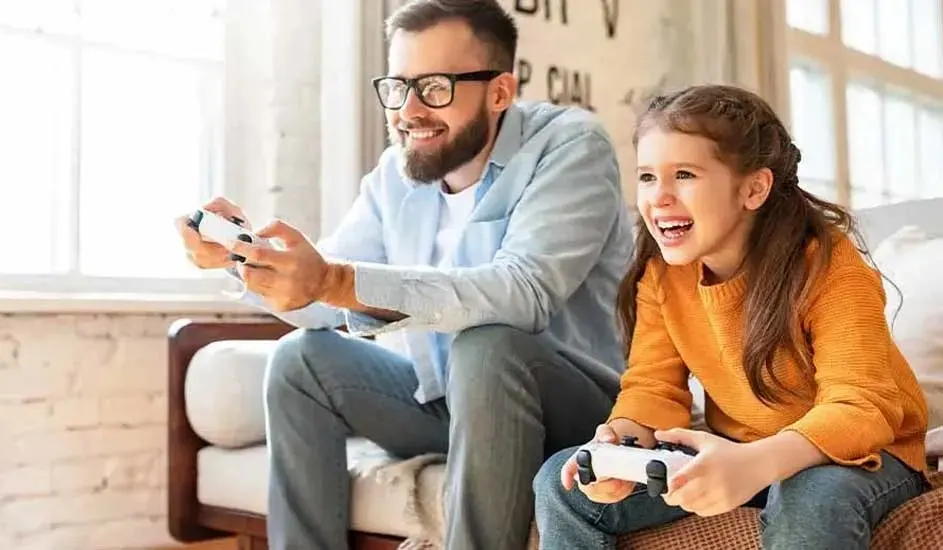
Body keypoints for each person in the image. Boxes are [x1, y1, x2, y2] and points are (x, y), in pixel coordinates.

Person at [176, 1, 635, 548]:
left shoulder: (570, 146)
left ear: (499, 93)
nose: (408, 110)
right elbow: (323, 287)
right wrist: (244, 259)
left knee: (486, 345)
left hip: (573, 408)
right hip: (446, 402)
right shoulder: (397, 173)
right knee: (301, 360)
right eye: (398, 86)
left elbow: (525, 292)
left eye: (435, 87)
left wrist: (335, 280)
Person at [532, 84, 931, 550]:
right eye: (646, 177)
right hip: (740, 453)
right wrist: (621, 442)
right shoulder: (663, 275)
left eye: (683, 174)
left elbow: (862, 408)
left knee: (810, 498)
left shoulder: (831, 269)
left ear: (754, 188)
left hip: (861, 453)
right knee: (559, 485)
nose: (658, 197)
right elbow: (653, 388)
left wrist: (760, 463)